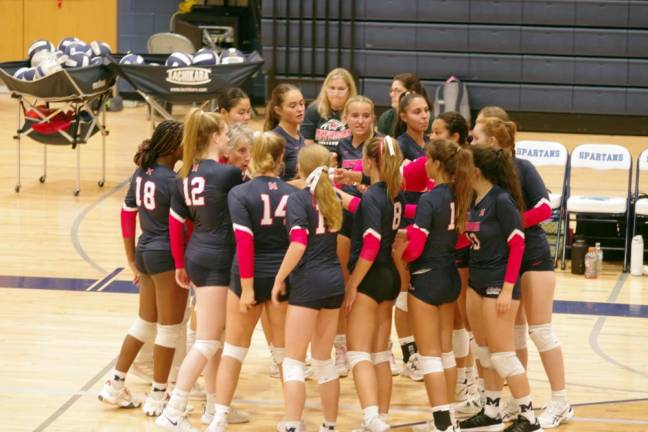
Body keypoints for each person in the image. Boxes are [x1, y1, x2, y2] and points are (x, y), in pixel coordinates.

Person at [472, 113, 573, 428]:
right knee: (512, 335)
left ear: (492, 140)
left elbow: (546, 208)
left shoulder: (522, 167)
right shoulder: (484, 175)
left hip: (533, 256)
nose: (470, 142)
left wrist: (512, 224)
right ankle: (517, 401)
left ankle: (561, 402)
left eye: (475, 136)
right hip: (502, 260)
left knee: (540, 331)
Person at [156, 109, 245, 432]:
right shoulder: (227, 175)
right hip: (219, 257)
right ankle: (174, 409)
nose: (227, 139)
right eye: (223, 134)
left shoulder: (185, 176)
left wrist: (180, 264)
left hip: (198, 255)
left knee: (215, 338)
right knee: (207, 340)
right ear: (213, 137)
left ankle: (212, 405)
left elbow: (175, 224)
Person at [206, 132, 297, 432]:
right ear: (281, 158)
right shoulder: (293, 194)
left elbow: (244, 243)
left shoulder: (240, 193)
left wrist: (246, 288)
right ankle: (293, 420)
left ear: (255, 156)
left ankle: (218, 417)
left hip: (248, 276)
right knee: (285, 353)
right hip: (281, 279)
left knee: (234, 350)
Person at [98, 120, 188, 417]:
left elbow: (127, 217)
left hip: (145, 251)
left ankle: (115, 383)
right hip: (165, 257)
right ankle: (159, 395)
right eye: (185, 141)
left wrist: (132, 261)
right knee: (170, 329)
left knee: (145, 323)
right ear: (174, 147)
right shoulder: (173, 182)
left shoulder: (140, 175)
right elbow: (182, 226)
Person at [459, 145, 542, 432]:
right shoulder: (473, 198)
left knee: (503, 355)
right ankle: (491, 409)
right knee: (482, 351)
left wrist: (508, 289)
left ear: (477, 171)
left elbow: (517, 243)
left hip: (498, 284)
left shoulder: (501, 200)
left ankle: (529, 417)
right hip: (476, 283)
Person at [398, 138, 474, 432]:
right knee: (445, 352)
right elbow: (459, 237)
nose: (424, 164)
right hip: (450, 275)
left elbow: (416, 247)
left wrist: (401, 255)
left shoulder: (431, 198)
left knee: (429, 354)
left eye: (428, 159)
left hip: (427, 278)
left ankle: (442, 424)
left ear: (438, 165)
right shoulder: (462, 193)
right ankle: (449, 417)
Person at [271, 144, 345, 432]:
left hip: (308, 283)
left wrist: (279, 279)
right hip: (334, 282)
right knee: (324, 360)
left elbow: (299, 243)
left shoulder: (298, 199)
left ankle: (291, 424)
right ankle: (329, 425)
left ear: (300, 169)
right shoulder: (333, 198)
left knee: (293, 360)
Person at [345, 136, 405, 432]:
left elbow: (370, 243)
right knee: (381, 353)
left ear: (369, 162)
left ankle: (371, 418)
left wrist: (353, 284)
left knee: (358, 352)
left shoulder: (372, 196)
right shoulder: (396, 193)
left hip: (370, 276)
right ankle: (382, 415)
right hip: (390, 276)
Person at [301, 67, 356, 152]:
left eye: (341, 89)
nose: (335, 93)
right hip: (320, 159)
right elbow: (307, 144)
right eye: (332, 88)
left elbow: (359, 146)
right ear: (325, 89)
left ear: (349, 90)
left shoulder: (355, 110)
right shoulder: (314, 109)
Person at [264, 83, 306, 181]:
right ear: (278, 110)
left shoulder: (300, 136)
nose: (300, 109)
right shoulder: (274, 140)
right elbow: (266, 182)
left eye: (301, 103)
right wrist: (297, 184)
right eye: (292, 106)